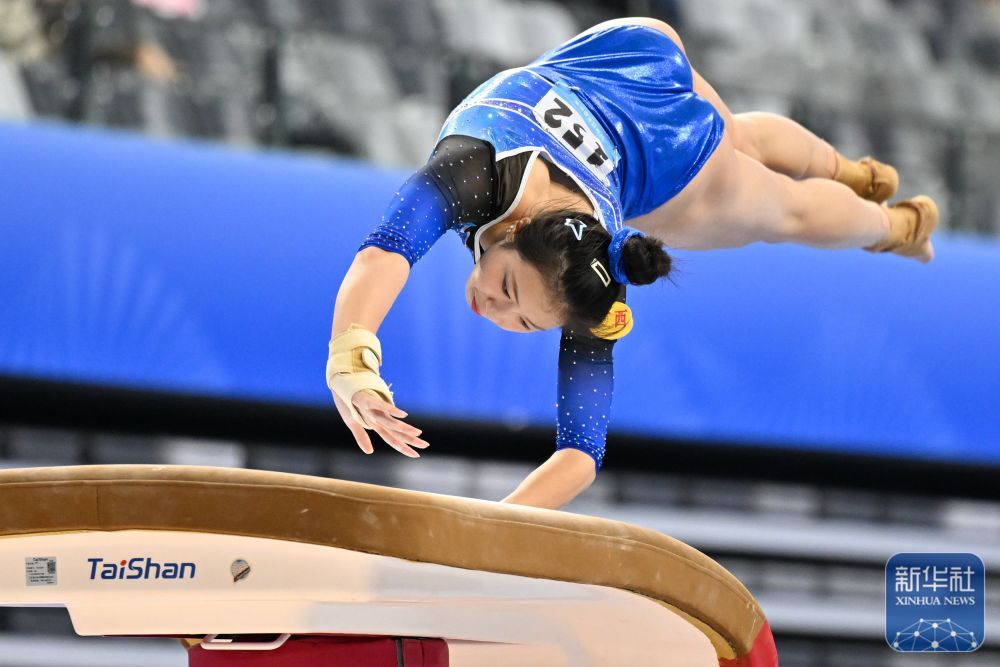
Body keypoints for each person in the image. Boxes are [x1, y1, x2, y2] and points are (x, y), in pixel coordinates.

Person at [325, 17, 939, 510]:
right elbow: (386, 251)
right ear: (511, 233)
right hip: (632, 67)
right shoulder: (480, 179)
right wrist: (350, 359)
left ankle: (897, 224)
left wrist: (497, 525)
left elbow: (579, 453)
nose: (492, 306)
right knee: (741, 147)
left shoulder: (577, 264)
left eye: (515, 308)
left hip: (633, 71)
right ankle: (856, 175)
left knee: (787, 213)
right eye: (515, 298)